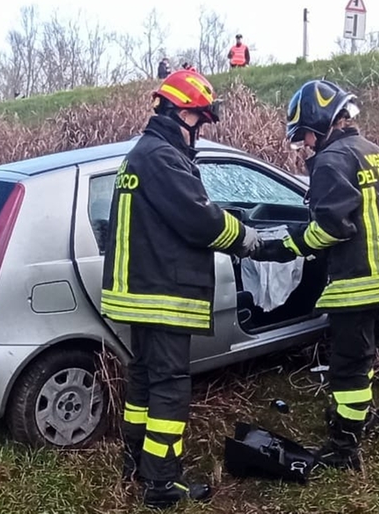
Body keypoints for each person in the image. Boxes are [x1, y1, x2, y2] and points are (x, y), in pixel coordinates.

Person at [99, 69, 260, 509]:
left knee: (144, 382)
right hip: (163, 294)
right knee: (169, 385)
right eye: (201, 121)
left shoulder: (142, 154)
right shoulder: (162, 158)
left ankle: (136, 464)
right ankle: (162, 484)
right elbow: (200, 219)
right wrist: (247, 238)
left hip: (138, 293)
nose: (201, 132)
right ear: (185, 112)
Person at [256, 79, 379, 471]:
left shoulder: (330, 161)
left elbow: (332, 228)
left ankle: (344, 446)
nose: (305, 142)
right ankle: (361, 416)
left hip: (357, 282)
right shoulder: (376, 153)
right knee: (364, 357)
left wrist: (286, 247)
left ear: (322, 122)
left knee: (348, 367)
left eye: (305, 133)